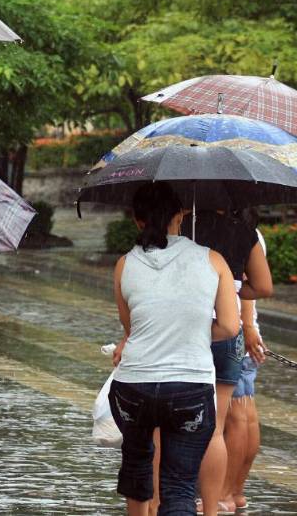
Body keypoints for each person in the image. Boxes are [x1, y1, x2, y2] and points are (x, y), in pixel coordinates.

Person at [110, 183, 240, 516]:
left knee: (138, 472)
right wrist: (192, 331)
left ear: (138, 221)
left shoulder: (125, 264)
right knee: (179, 487)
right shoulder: (213, 260)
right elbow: (229, 326)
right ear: (180, 215)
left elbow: (133, 329)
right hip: (189, 388)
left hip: (133, 388)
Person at [181, 209, 272, 516]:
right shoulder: (245, 231)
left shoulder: (187, 226)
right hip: (232, 334)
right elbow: (263, 287)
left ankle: (195, 496)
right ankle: (222, 499)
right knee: (226, 422)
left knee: (183, 419)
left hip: (198, 327)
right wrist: (232, 288)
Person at [222, 212, 268, 513]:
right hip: (242, 331)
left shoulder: (234, 232)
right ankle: (236, 491)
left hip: (233, 332)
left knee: (235, 417)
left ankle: (224, 493)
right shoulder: (251, 231)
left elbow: (247, 284)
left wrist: (246, 325)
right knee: (246, 413)